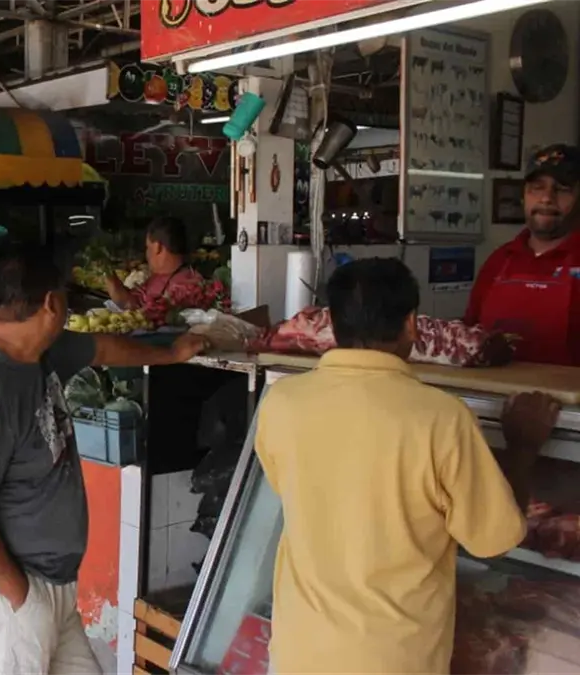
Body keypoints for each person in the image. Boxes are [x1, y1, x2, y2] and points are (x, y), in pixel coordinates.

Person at [255, 257, 561, 674]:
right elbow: (494, 539)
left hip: (298, 652)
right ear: (412, 324)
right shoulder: (440, 418)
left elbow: (290, 486)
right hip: (393, 660)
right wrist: (523, 449)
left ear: (334, 325)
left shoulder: (283, 402)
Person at [0, 247, 209, 674]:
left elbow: (103, 348)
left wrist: (171, 354)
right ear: (51, 304)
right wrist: (22, 599)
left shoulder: (39, 353)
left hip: (47, 585)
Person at [465, 143, 580, 366]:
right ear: (523, 196)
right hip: (494, 389)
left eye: (562, 189)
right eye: (537, 188)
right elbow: (470, 335)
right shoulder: (499, 261)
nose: (546, 198)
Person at [105, 217, 203, 309]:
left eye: (148, 247)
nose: (146, 254)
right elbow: (130, 303)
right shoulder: (156, 279)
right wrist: (107, 272)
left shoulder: (189, 285)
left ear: (157, 247)